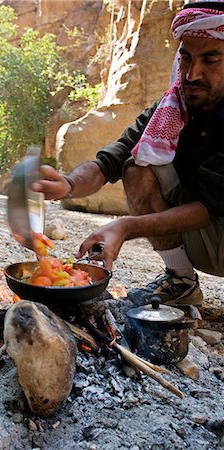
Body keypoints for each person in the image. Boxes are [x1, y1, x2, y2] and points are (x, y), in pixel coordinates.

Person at [32, 0, 224, 306]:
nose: (192, 74)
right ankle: (182, 284)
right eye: (186, 58)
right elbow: (114, 157)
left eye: (210, 60)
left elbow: (211, 207)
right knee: (137, 166)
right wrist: (68, 183)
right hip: (210, 234)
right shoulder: (172, 107)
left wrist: (123, 227)